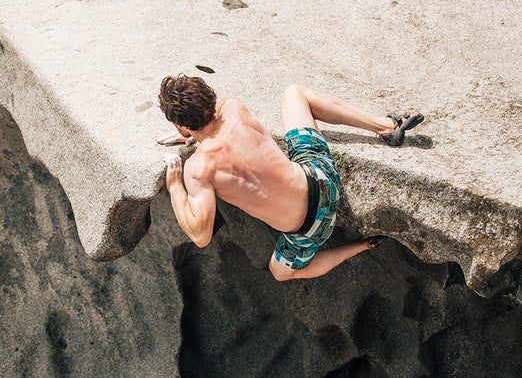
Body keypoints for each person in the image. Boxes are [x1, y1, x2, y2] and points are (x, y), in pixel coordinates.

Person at [156, 75, 424, 281]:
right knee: (295, 93)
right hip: (322, 177)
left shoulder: (199, 168)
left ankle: (365, 245)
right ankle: (388, 126)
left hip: (310, 229)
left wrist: (175, 186)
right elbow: (214, 121)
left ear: (180, 124)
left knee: (280, 271)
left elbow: (201, 236)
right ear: (210, 100)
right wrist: (191, 133)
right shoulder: (233, 108)